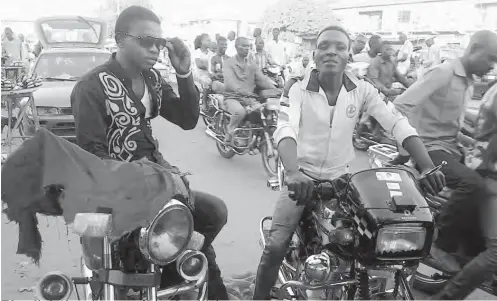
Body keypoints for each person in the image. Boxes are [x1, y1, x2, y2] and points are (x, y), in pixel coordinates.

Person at [252, 25, 446, 300]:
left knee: (362, 243)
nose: (331, 51)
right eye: (324, 46)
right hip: (302, 178)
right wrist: (293, 172)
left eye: (340, 47)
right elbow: (285, 128)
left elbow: (396, 122)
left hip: (342, 181)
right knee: (276, 245)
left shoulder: (362, 89)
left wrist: (426, 165)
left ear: (349, 55)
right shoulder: (296, 87)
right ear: (315, 53)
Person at [70, 6, 228, 300]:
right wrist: (153, 181)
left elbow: (187, 118)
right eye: (146, 41)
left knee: (213, 214)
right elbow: (93, 157)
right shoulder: (91, 88)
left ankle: (175, 275)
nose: (155, 48)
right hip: (116, 197)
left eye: (160, 42)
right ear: (120, 39)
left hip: (160, 188)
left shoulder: (152, 80)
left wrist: (184, 72)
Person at [394, 30, 497, 300]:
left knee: (484, 186)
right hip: (429, 149)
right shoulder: (443, 73)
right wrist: (406, 149)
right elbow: (400, 105)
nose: (491, 66)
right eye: (490, 58)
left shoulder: (468, 84)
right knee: (472, 184)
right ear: (473, 49)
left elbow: (451, 127)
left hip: (450, 147)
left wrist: (471, 138)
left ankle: (468, 253)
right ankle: (439, 244)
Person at [223, 37, 278, 144]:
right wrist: (239, 89)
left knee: (264, 110)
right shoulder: (228, 63)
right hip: (232, 97)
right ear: (236, 47)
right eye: (243, 46)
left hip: (249, 98)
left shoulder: (252, 64)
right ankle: (229, 133)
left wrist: (276, 89)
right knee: (240, 112)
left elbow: (262, 79)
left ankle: (254, 135)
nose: (246, 48)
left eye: (248, 46)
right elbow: (229, 81)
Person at [193, 33, 213, 100]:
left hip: (208, 74)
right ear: (202, 42)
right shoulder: (197, 52)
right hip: (199, 75)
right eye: (208, 40)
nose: (210, 42)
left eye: (210, 40)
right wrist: (208, 65)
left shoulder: (211, 53)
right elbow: (199, 65)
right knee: (206, 81)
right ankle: (204, 101)